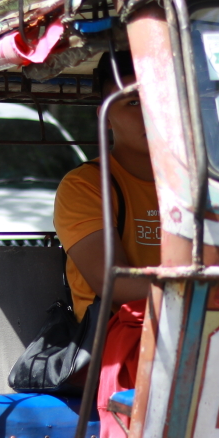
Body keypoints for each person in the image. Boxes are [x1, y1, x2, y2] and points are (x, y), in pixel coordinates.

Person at [54, 50, 161, 321]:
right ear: (106, 117)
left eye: (160, 99)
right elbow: (114, 282)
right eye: (134, 103)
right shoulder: (84, 185)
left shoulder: (202, 181)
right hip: (120, 343)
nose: (150, 112)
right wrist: (211, 289)